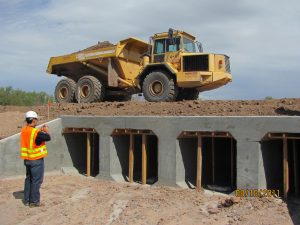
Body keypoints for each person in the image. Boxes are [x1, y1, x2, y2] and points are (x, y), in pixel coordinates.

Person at [20, 111, 51, 207]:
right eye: (36, 119)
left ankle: (27, 200)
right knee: (36, 181)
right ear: (33, 120)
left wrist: (39, 130)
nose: (37, 121)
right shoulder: (36, 132)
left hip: (27, 159)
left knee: (28, 179)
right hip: (36, 160)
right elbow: (47, 137)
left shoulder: (24, 130)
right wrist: (46, 130)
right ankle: (34, 202)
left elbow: (33, 135)